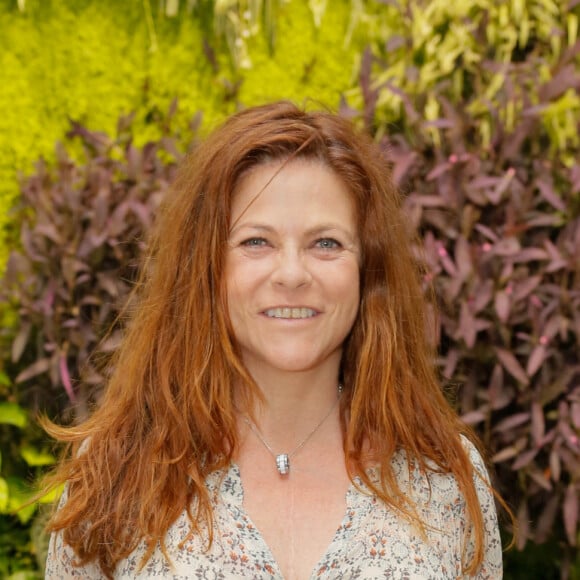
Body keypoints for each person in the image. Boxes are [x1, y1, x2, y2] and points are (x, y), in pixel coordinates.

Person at [44, 101, 505, 579]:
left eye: (325, 242)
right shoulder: (113, 470)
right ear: (207, 268)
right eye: (256, 242)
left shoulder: (442, 476)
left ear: (368, 270)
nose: (291, 274)